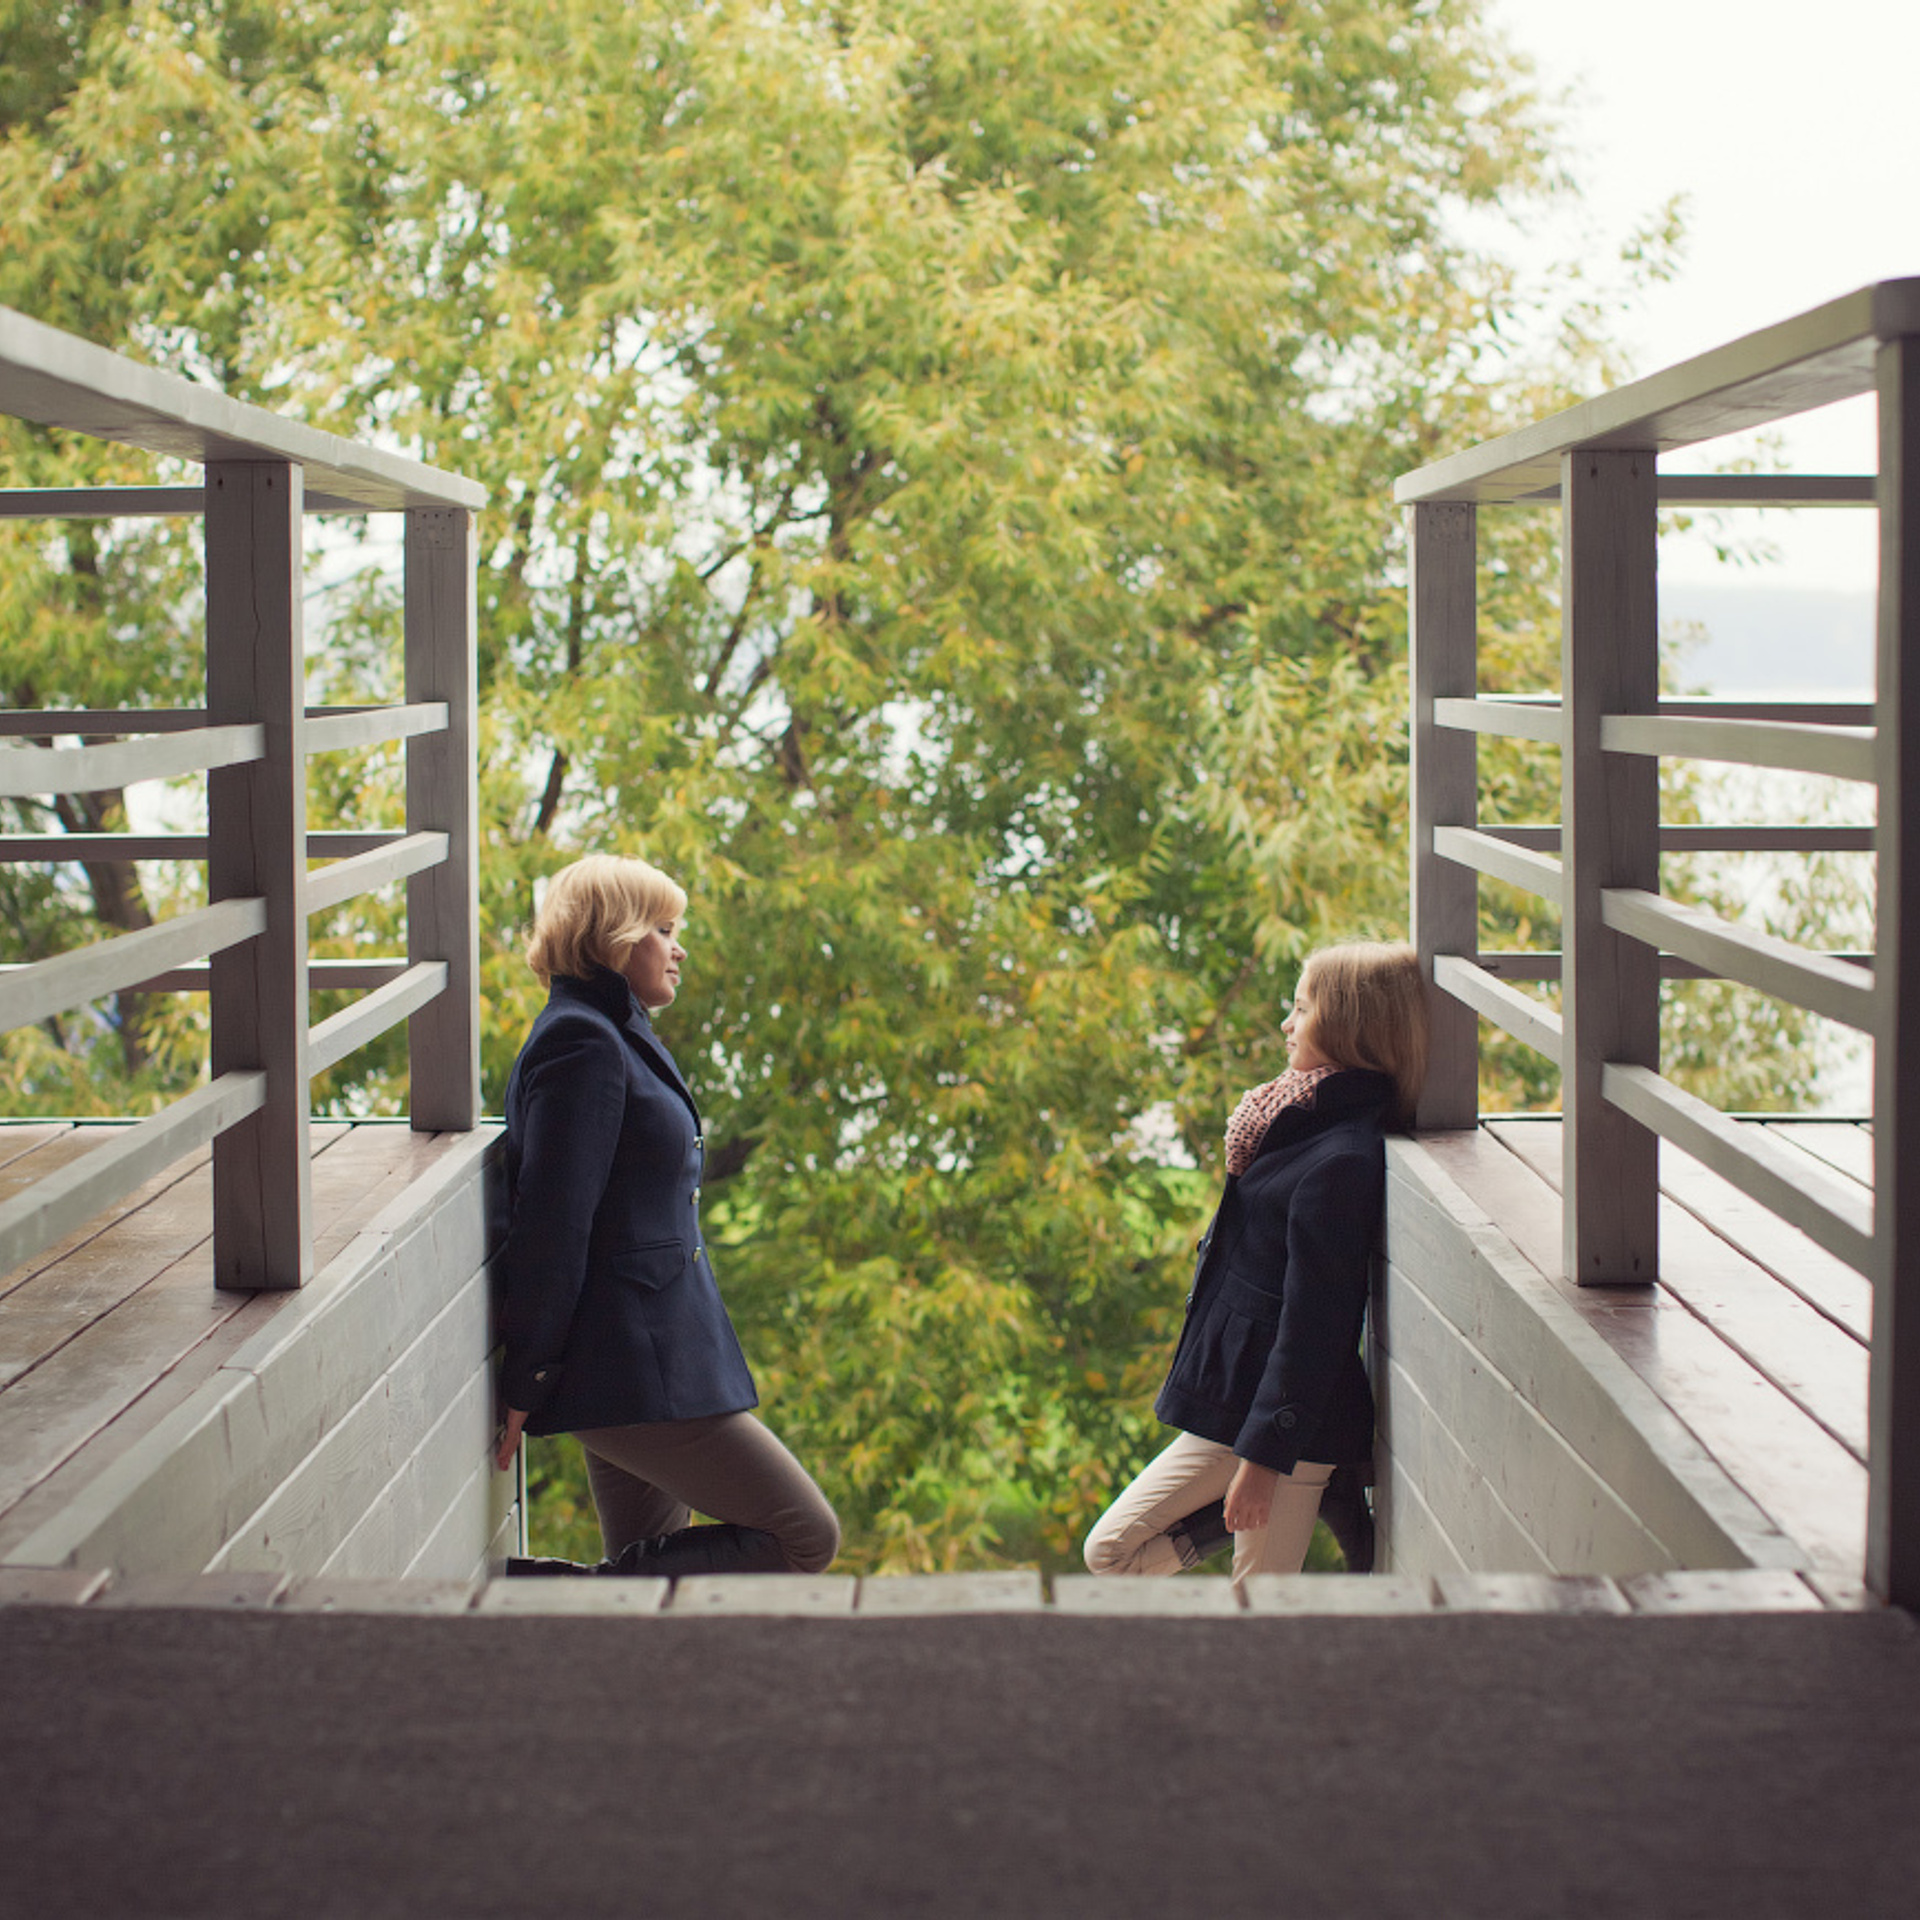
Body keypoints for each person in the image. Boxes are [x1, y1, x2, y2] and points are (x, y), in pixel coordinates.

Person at [493, 854, 839, 1578]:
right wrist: (525, 1380)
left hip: (660, 1360)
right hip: (626, 1367)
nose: (678, 948)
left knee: (651, 1603)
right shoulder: (580, 1042)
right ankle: (535, 1598)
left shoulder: (614, 1031)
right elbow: (555, 1226)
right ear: (613, 934)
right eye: (663, 928)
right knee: (804, 1536)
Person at [1082, 941, 1428, 1591]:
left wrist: (1265, 1463)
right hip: (1238, 1406)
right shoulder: (1292, 1121)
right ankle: (1319, 1495)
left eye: (1301, 1009)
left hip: (1289, 1428)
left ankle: (1314, 1492)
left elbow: (1316, 1323)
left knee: (1256, 1609)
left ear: (1350, 1025)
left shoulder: (1340, 1159)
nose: (1286, 1025)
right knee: (1109, 1554)